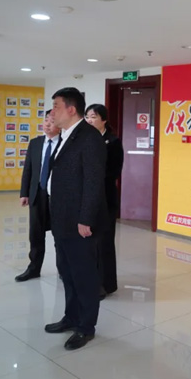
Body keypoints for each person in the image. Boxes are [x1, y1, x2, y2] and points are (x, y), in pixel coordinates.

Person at [44, 87, 108, 351]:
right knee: (67, 273)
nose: (52, 112)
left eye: (56, 106)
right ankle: (71, 317)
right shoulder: (66, 136)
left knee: (83, 276)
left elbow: (93, 183)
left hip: (80, 222)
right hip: (62, 218)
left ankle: (86, 326)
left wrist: (86, 219)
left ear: (71, 109)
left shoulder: (89, 138)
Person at [15, 109, 61, 282]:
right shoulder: (35, 143)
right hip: (37, 193)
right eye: (46, 120)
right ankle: (34, 268)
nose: (47, 124)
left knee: (59, 234)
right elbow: (28, 169)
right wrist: (24, 193)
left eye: (52, 121)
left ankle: (63, 269)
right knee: (35, 234)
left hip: (57, 196)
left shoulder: (65, 143)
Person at [85, 103, 124, 299]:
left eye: (93, 117)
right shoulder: (85, 140)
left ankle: (106, 283)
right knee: (90, 242)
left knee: (104, 241)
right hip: (88, 198)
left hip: (105, 198)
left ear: (104, 120)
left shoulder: (113, 142)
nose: (90, 120)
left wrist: (92, 178)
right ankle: (91, 279)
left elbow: (114, 172)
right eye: (87, 117)